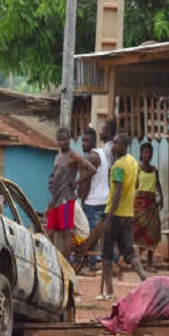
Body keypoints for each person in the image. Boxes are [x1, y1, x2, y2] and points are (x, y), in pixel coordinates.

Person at [101, 133, 147, 300]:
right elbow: (136, 184)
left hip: (114, 214)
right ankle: (144, 279)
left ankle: (109, 292)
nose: (113, 146)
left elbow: (117, 192)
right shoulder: (133, 162)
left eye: (116, 144)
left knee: (106, 255)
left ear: (123, 146)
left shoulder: (118, 167)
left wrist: (108, 218)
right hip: (128, 213)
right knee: (129, 252)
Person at [46, 127, 96, 258]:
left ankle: (65, 264)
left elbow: (91, 169)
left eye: (64, 139)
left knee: (65, 233)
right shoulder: (58, 156)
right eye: (59, 140)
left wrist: (77, 182)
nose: (62, 142)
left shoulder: (73, 155)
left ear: (69, 139)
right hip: (56, 198)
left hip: (66, 198)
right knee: (50, 231)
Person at [78, 127, 110, 269]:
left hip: (92, 201)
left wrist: (82, 200)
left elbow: (85, 183)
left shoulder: (90, 158)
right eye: (83, 141)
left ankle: (92, 263)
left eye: (87, 141)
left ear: (93, 142)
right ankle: (98, 260)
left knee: (90, 234)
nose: (83, 144)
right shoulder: (102, 154)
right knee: (100, 234)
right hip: (104, 199)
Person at [132, 142, 163, 269]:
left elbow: (158, 185)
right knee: (136, 231)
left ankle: (150, 263)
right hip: (140, 205)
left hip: (152, 205)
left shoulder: (154, 170)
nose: (148, 155)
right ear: (141, 154)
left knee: (152, 233)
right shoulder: (138, 169)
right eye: (145, 152)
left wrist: (161, 198)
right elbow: (134, 186)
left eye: (150, 153)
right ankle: (134, 260)